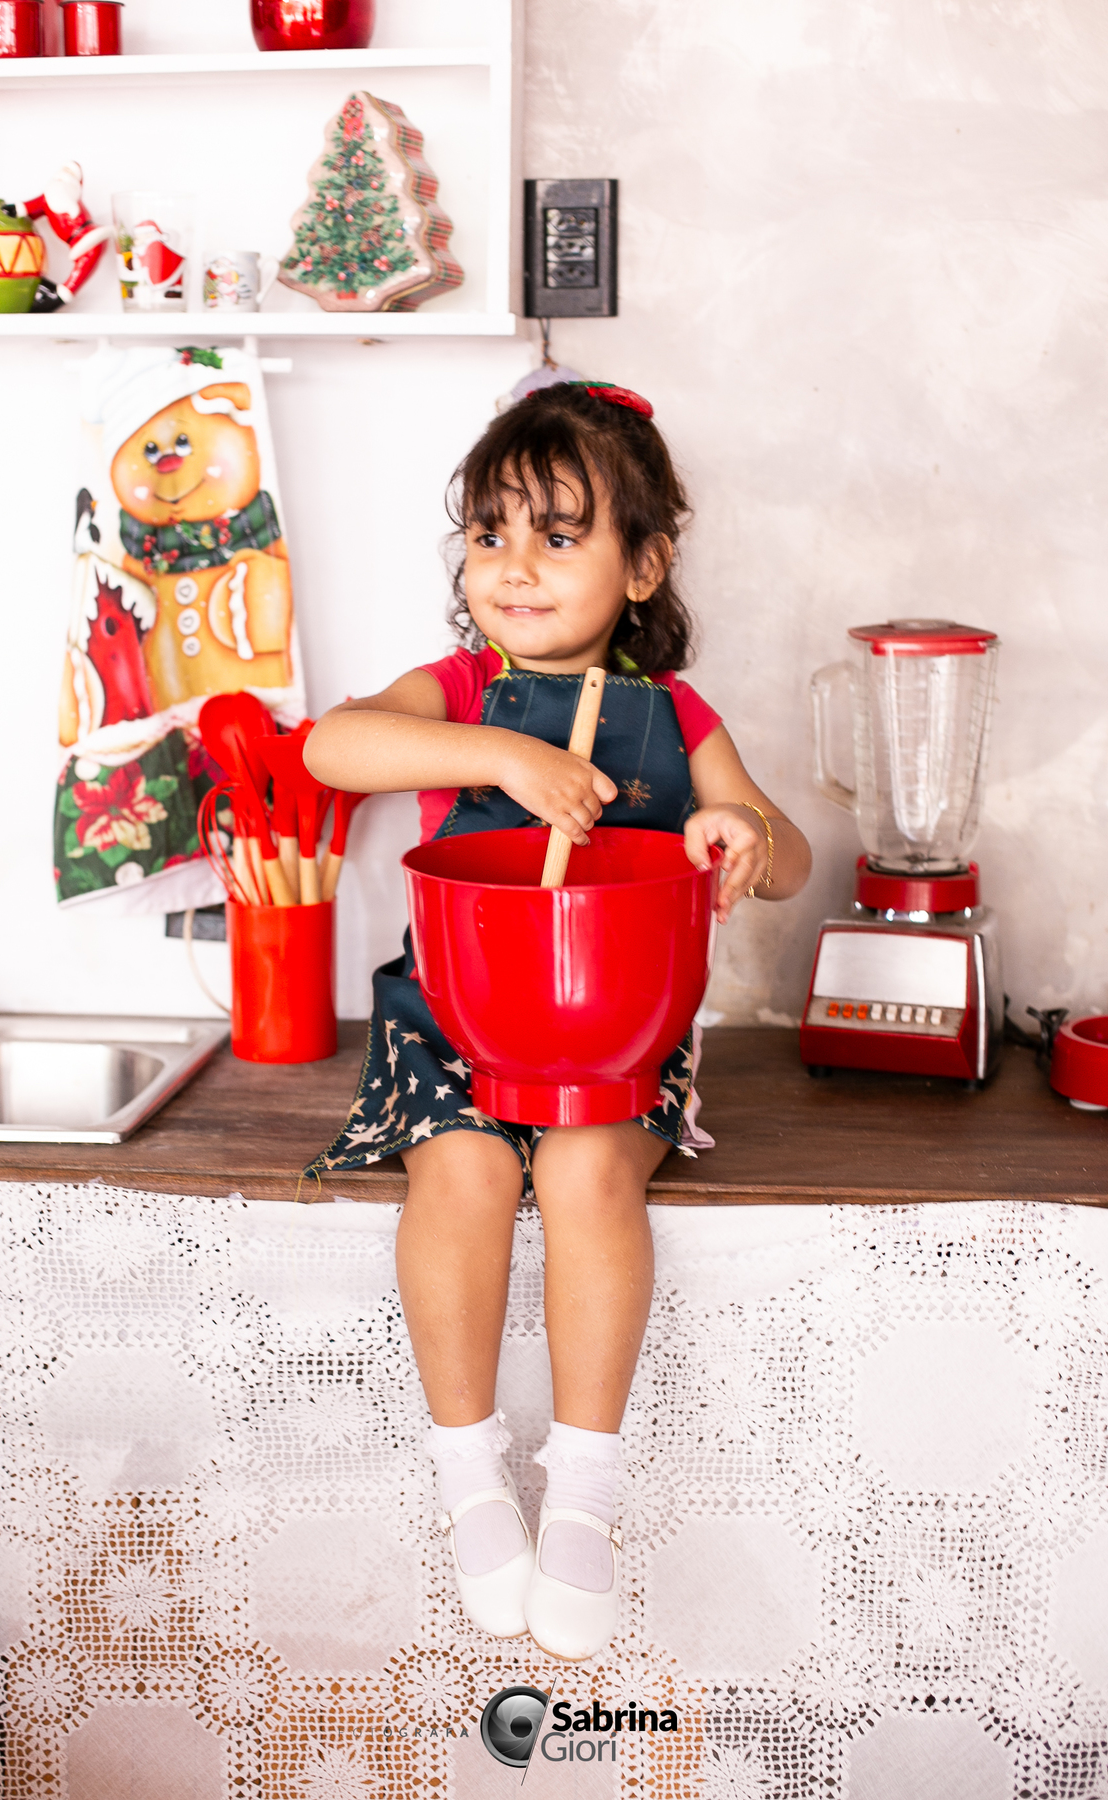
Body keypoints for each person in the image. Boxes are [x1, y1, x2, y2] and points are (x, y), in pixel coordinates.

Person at [304, 380, 811, 1661]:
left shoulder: (680, 718)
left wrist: (736, 832)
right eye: (490, 533)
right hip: (455, 1025)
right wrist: (498, 754)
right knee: (464, 1173)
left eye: (560, 535)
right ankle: (472, 1479)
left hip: (617, 1034)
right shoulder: (458, 688)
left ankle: (582, 1493)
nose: (514, 567)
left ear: (646, 564)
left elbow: (792, 855)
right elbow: (330, 751)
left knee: (589, 1172)